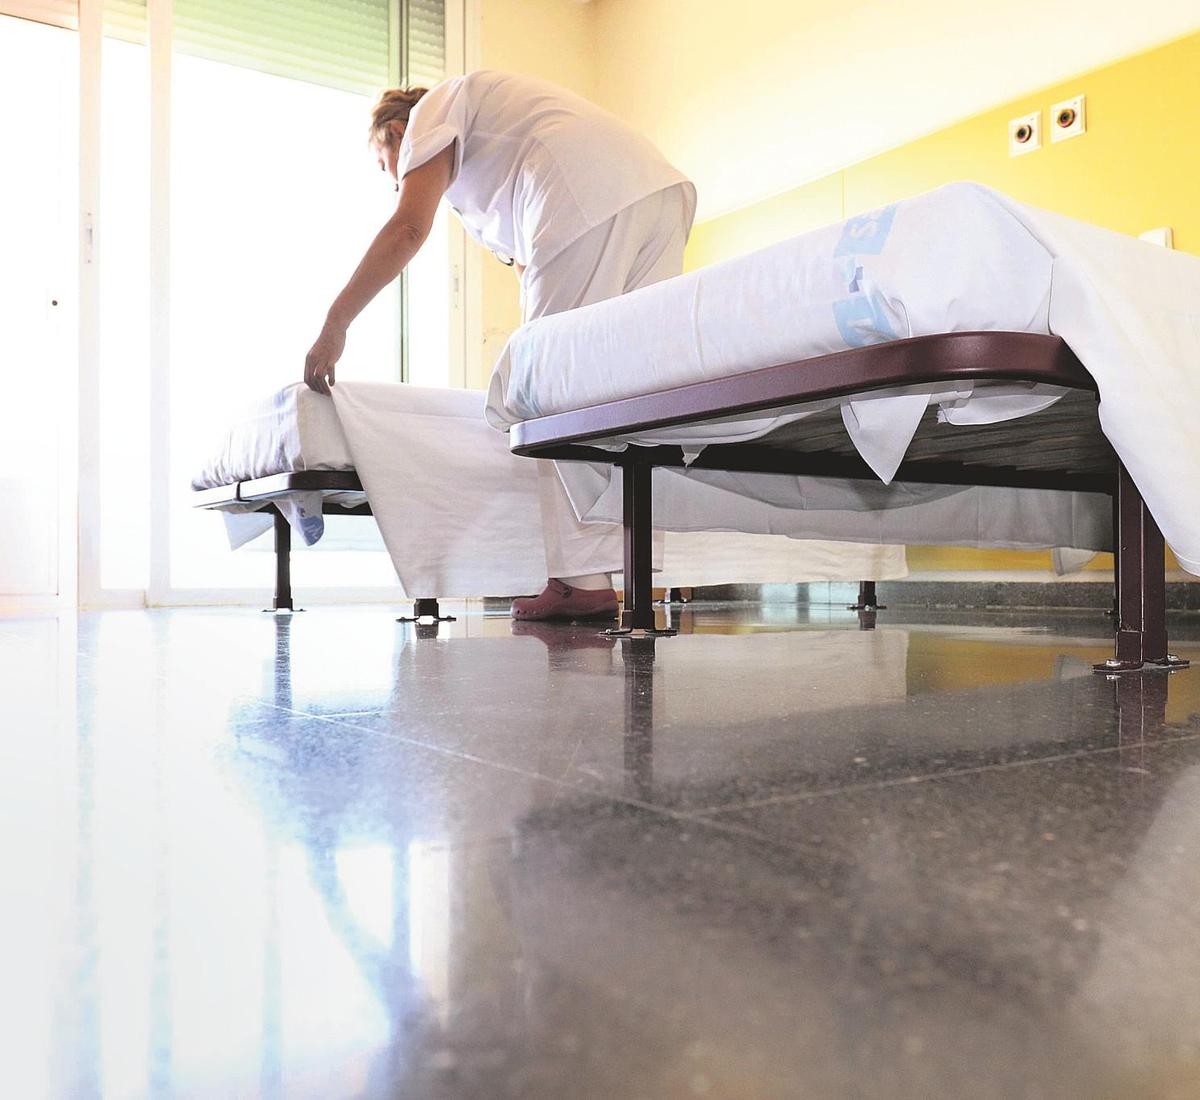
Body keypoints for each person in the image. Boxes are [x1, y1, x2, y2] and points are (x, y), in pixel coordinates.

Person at [304, 70, 696, 620]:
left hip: (584, 191)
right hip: (661, 192)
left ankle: (579, 582)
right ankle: (628, 567)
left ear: (396, 132)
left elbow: (406, 230)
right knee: (623, 392)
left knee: (548, 388)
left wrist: (335, 322)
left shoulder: (429, 116)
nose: (393, 178)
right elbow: (526, 263)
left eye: (384, 163)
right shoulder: (486, 151)